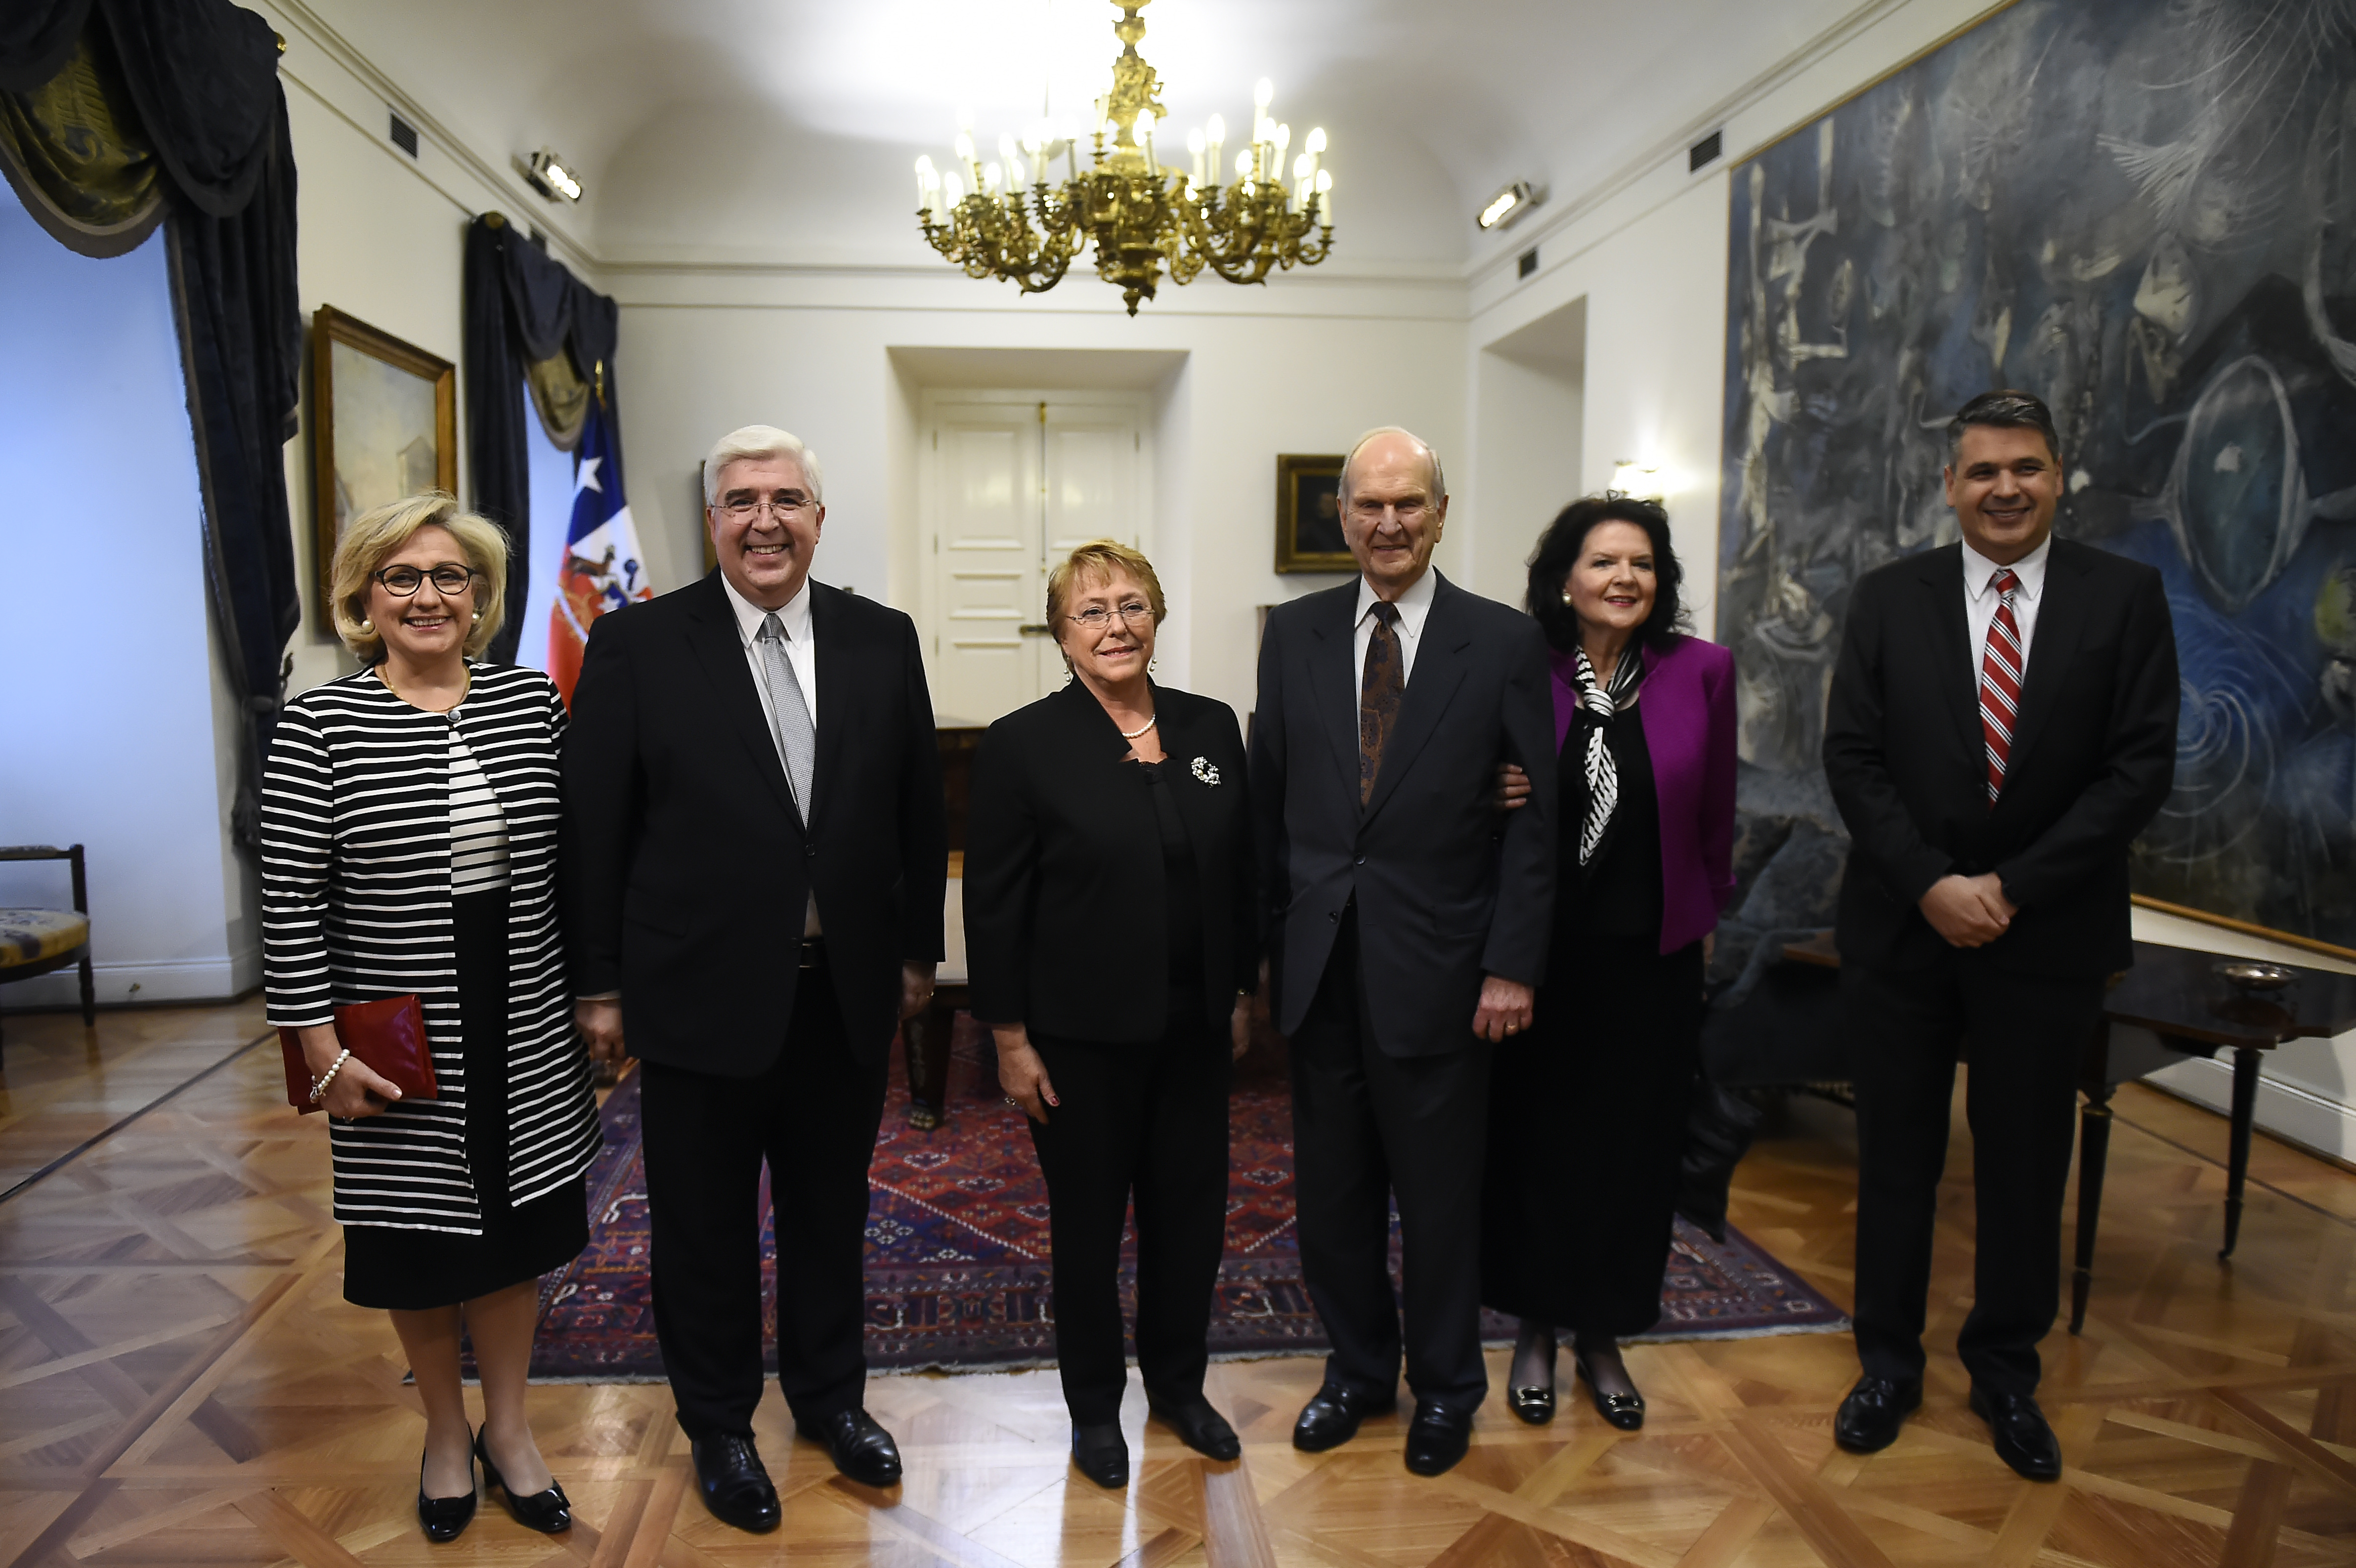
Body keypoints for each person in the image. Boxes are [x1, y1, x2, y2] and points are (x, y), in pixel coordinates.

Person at [564, 426, 947, 1532]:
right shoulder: (638, 643)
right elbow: (596, 828)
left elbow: (919, 812)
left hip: (844, 991)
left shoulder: (882, 639)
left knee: (833, 1212)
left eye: (786, 497)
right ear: (711, 522)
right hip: (694, 993)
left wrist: (918, 949)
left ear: (819, 518)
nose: (764, 519)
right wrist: (597, 983)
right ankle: (722, 1425)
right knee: (705, 1225)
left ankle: (830, 1401)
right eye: (740, 500)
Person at [1822, 390, 2177, 1480]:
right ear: (1949, 486)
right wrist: (1933, 883)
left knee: (2025, 1162)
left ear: (2057, 476)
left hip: (2047, 933)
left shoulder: (2123, 597)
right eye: (1981, 472)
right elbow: (1853, 758)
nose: (2003, 488)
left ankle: (2003, 1373)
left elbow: (2137, 768)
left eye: (2023, 468)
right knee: (1896, 1157)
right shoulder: (1888, 598)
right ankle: (1885, 1364)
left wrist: (2009, 886)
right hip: (1902, 929)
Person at [260, 493, 603, 1544]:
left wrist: (596, 996)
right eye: (402, 577)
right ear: (364, 597)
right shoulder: (321, 721)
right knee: (416, 1235)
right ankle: (444, 1436)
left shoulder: (530, 703)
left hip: (523, 1010)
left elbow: (575, 863)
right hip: (396, 1027)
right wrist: (321, 1053)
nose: (427, 596)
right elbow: (289, 898)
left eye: (450, 577)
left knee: (511, 1230)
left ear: (481, 597)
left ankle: (510, 1433)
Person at [1250, 426, 1557, 1477]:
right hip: (1319, 966)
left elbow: (1533, 821)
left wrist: (1510, 964)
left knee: (1436, 1200)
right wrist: (1259, 960)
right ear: (1342, 516)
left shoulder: (1503, 642)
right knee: (1330, 1195)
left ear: (1438, 512)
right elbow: (1269, 804)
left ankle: (1447, 1387)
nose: (1388, 523)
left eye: (1408, 504)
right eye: (1368, 505)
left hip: (1444, 971)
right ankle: (1354, 1372)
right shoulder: (1288, 636)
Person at [965, 541, 1257, 1490]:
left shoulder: (1212, 727)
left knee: (1192, 1222)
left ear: (1159, 618)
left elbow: (1240, 874)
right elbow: (996, 906)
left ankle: (1179, 1384)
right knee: (1089, 1233)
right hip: (1078, 1044)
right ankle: (1095, 1409)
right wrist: (1008, 1038)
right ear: (1061, 632)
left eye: (1132, 605)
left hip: (1195, 1032)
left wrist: (1244, 990)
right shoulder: (1021, 743)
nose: (1115, 626)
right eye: (1091, 611)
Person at [1480, 495, 1736, 1432]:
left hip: (1651, 959)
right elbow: (1468, 780)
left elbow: (1716, 813)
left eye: (1642, 563)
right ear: (1564, 579)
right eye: (1603, 562)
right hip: (1537, 958)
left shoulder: (1703, 671)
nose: (1624, 578)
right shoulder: (1519, 667)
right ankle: (1536, 1328)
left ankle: (1606, 1332)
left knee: (1632, 1154)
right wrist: (1490, 787)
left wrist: (1706, 926)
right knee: (1538, 1147)